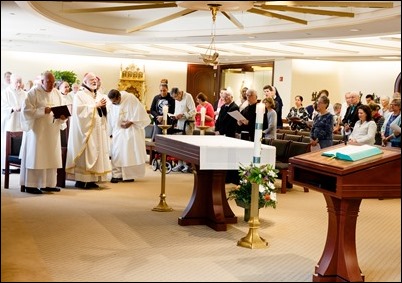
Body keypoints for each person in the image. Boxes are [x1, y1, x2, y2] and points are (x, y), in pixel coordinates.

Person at [19, 71, 68, 194]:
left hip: (52, 131)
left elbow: (63, 109)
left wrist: (63, 117)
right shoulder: (33, 93)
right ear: (42, 82)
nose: (51, 84)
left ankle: (49, 184)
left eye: (53, 82)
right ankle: (32, 185)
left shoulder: (57, 93)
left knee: (51, 156)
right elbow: (26, 111)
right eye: (48, 82)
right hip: (38, 132)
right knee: (37, 156)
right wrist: (42, 111)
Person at [65, 72, 112, 189]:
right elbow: (79, 111)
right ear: (84, 82)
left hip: (98, 130)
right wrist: (95, 105)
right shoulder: (79, 95)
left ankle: (92, 180)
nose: (94, 81)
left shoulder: (100, 95)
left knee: (97, 153)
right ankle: (82, 180)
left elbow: (107, 111)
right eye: (91, 79)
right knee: (86, 154)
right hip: (86, 131)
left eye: (95, 79)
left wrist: (104, 107)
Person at [107, 89, 149, 183]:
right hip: (118, 132)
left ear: (119, 97)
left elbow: (140, 112)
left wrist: (131, 122)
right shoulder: (112, 104)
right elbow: (110, 118)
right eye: (112, 102)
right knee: (116, 153)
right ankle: (116, 175)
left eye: (115, 101)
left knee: (129, 153)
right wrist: (108, 132)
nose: (114, 104)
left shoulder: (130, 98)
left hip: (131, 131)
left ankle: (129, 175)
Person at [1, 74, 27, 174]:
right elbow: (3, 106)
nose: (19, 84)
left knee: (20, 142)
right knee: (7, 143)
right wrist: (12, 108)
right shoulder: (6, 93)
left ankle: (18, 166)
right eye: (17, 82)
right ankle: (5, 166)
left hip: (20, 121)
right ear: (11, 82)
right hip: (10, 121)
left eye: (20, 82)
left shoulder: (24, 94)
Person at [170, 87, 196, 173]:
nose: (175, 99)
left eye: (176, 97)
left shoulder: (188, 97)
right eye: (174, 98)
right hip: (179, 123)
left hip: (188, 123)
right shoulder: (176, 98)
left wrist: (183, 115)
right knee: (179, 145)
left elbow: (193, 111)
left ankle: (186, 164)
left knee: (186, 145)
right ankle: (180, 163)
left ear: (180, 93)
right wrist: (175, 115)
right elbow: (177, 110)